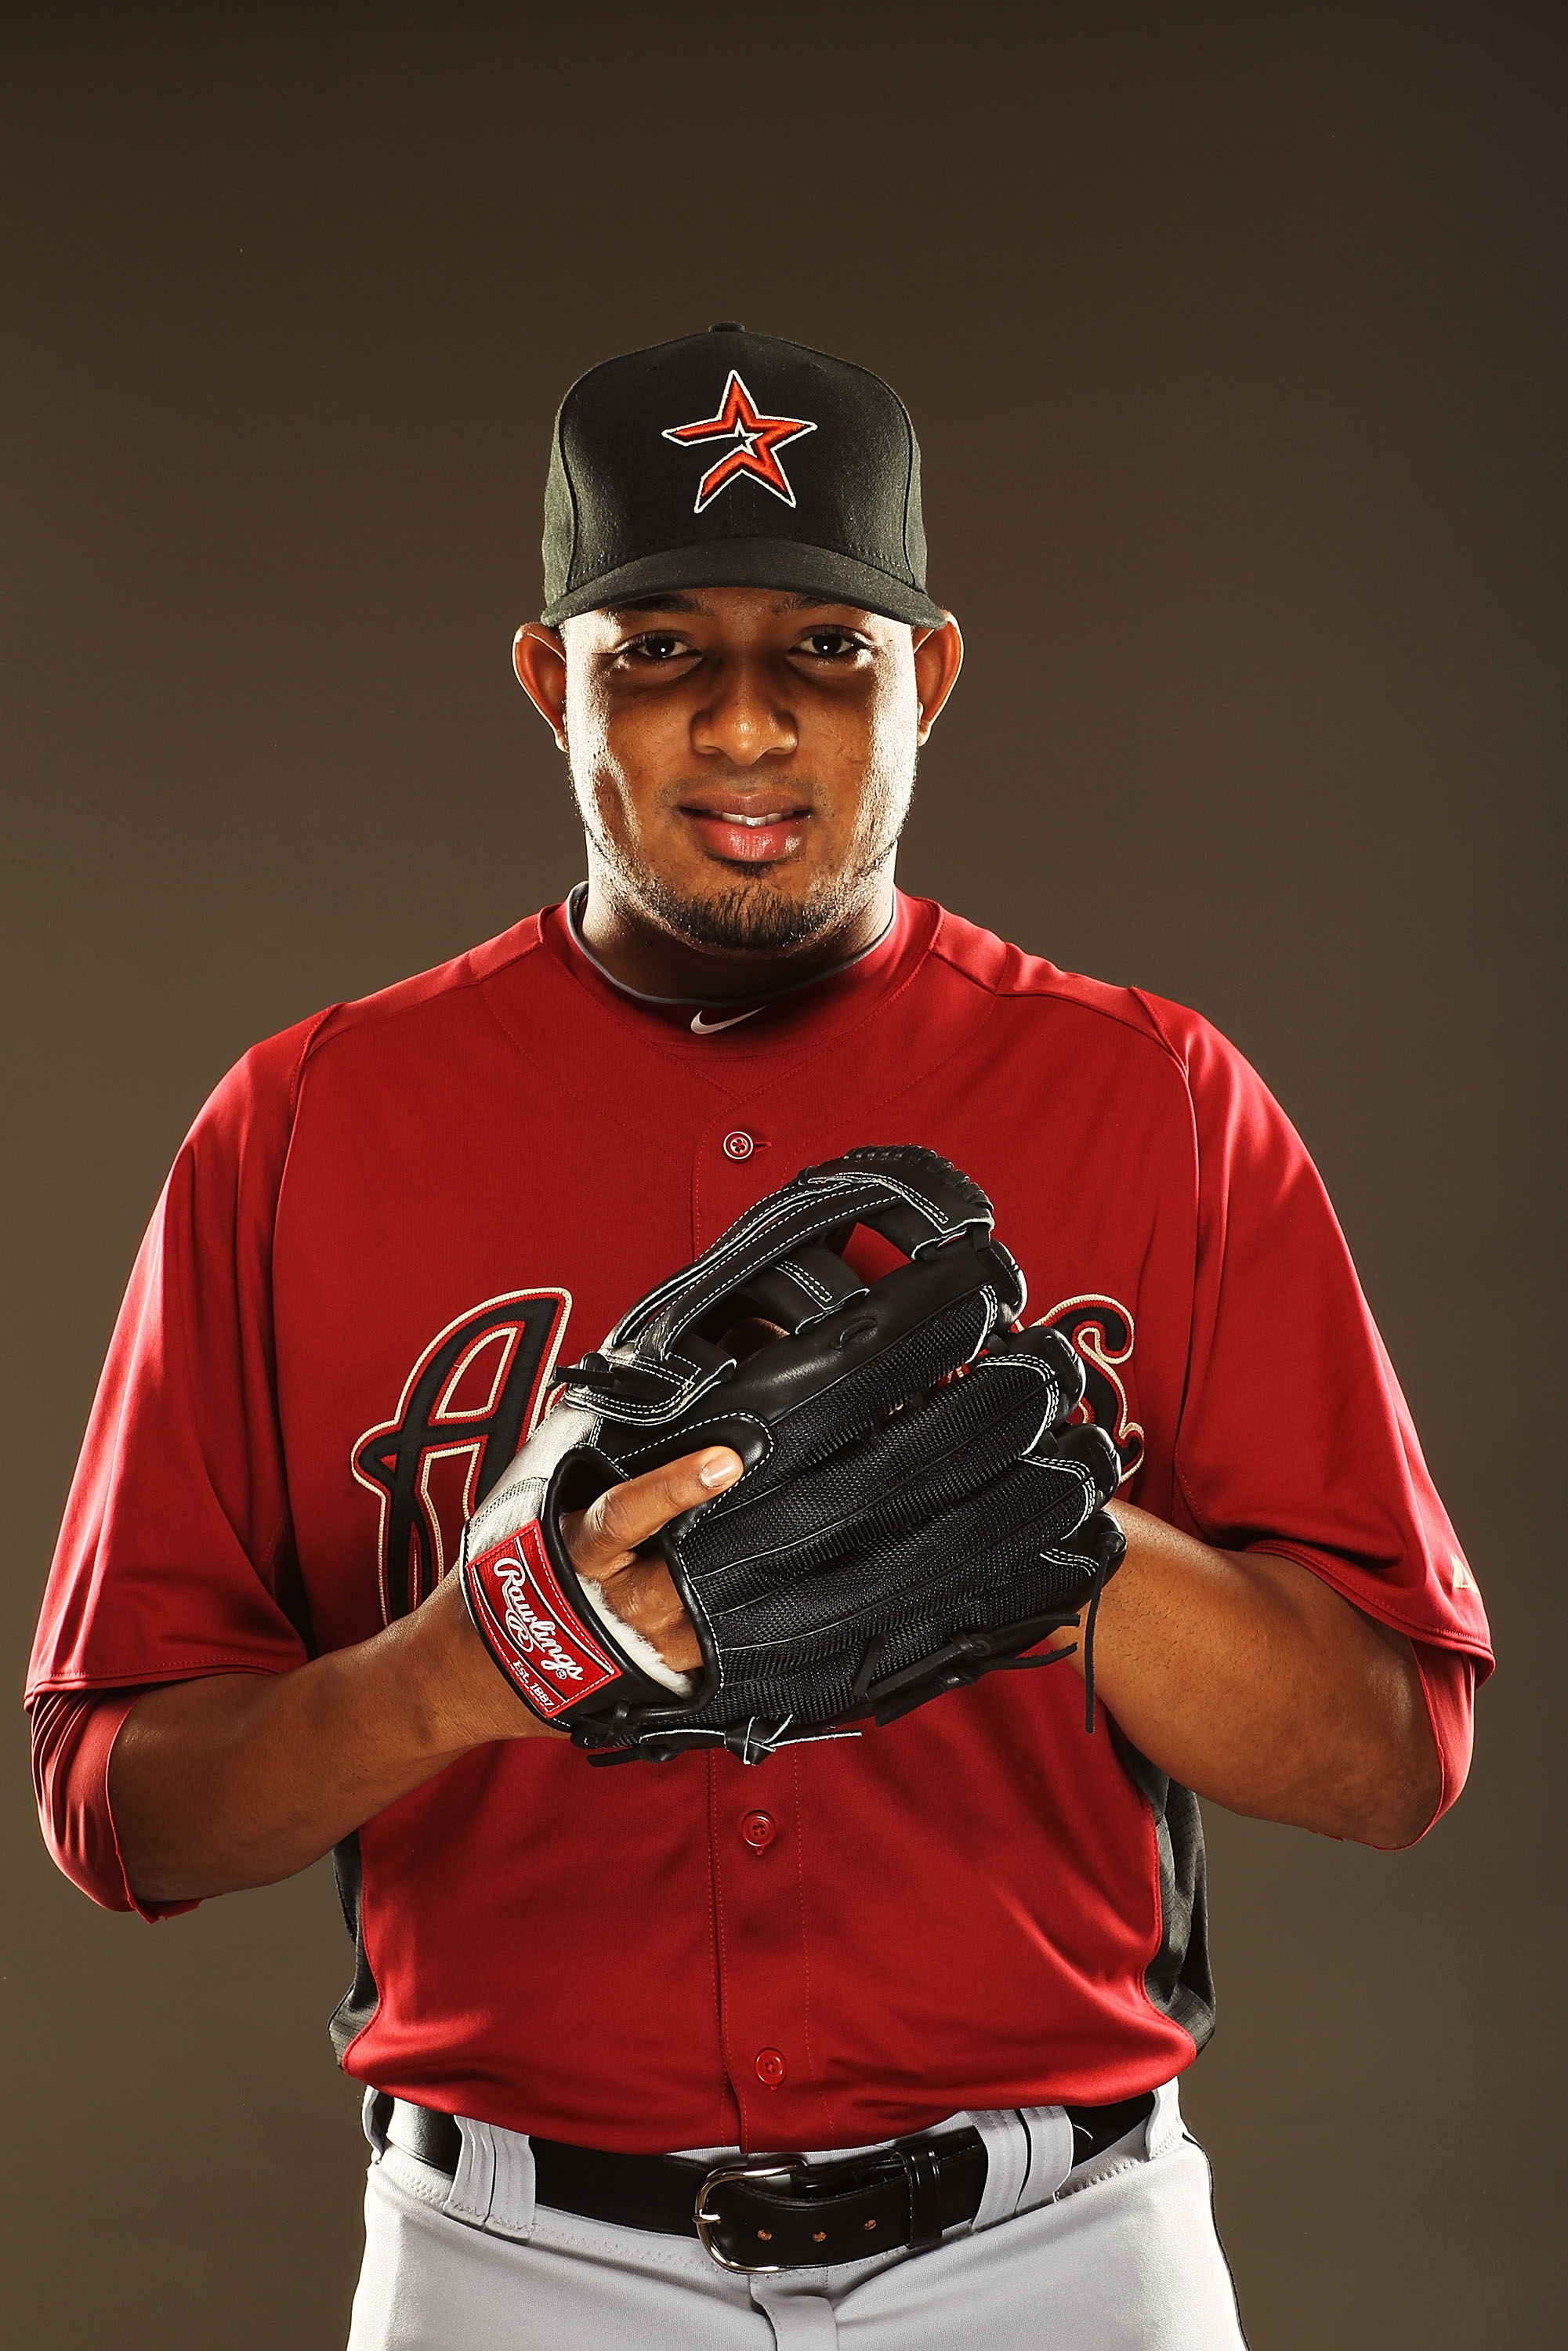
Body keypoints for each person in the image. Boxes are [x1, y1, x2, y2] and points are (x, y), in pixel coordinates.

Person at [27, 324, 1492, 2350]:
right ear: (551, 683)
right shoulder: (300, 1133)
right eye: (657, 654)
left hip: (1057, 2259)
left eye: (822, 652)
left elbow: (1395, 1753)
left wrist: (1033, 1545)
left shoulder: (1154, 1101)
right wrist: (461, 1673)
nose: (742, 728)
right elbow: (114, 1795)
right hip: (507, 2266)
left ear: (929, 681)